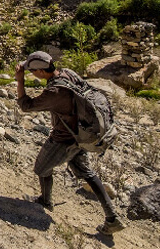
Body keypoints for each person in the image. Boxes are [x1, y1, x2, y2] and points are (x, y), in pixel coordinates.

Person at [15, 51, 125, 236]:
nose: (31, 73)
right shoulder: (68, 73)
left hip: (64, 139)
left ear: (41, 72)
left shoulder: (55, 92)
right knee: (87, 174)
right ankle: (112, 218)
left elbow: (26, 106)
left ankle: (45, 201)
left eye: (32, 71)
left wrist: (20, 81)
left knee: (41, 168)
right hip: (81, 134)